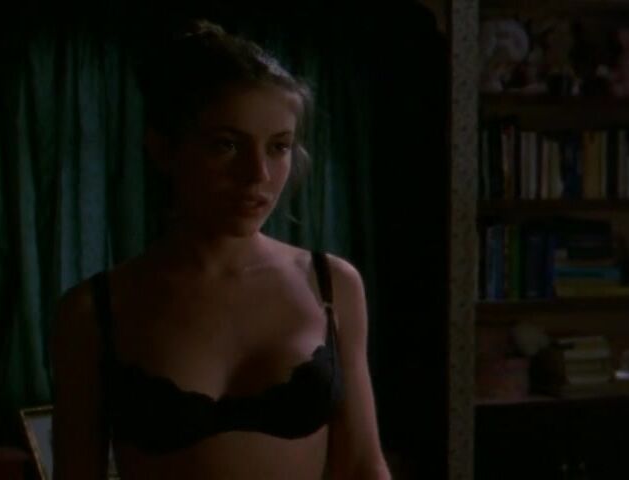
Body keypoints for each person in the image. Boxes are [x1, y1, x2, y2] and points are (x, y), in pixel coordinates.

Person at [51, 19, 391, 480]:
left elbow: (364, 465)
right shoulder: (94, 311)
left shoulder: (331, 285)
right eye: (227, 145)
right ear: (163, 149)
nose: (258, 175)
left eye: (278, 147)